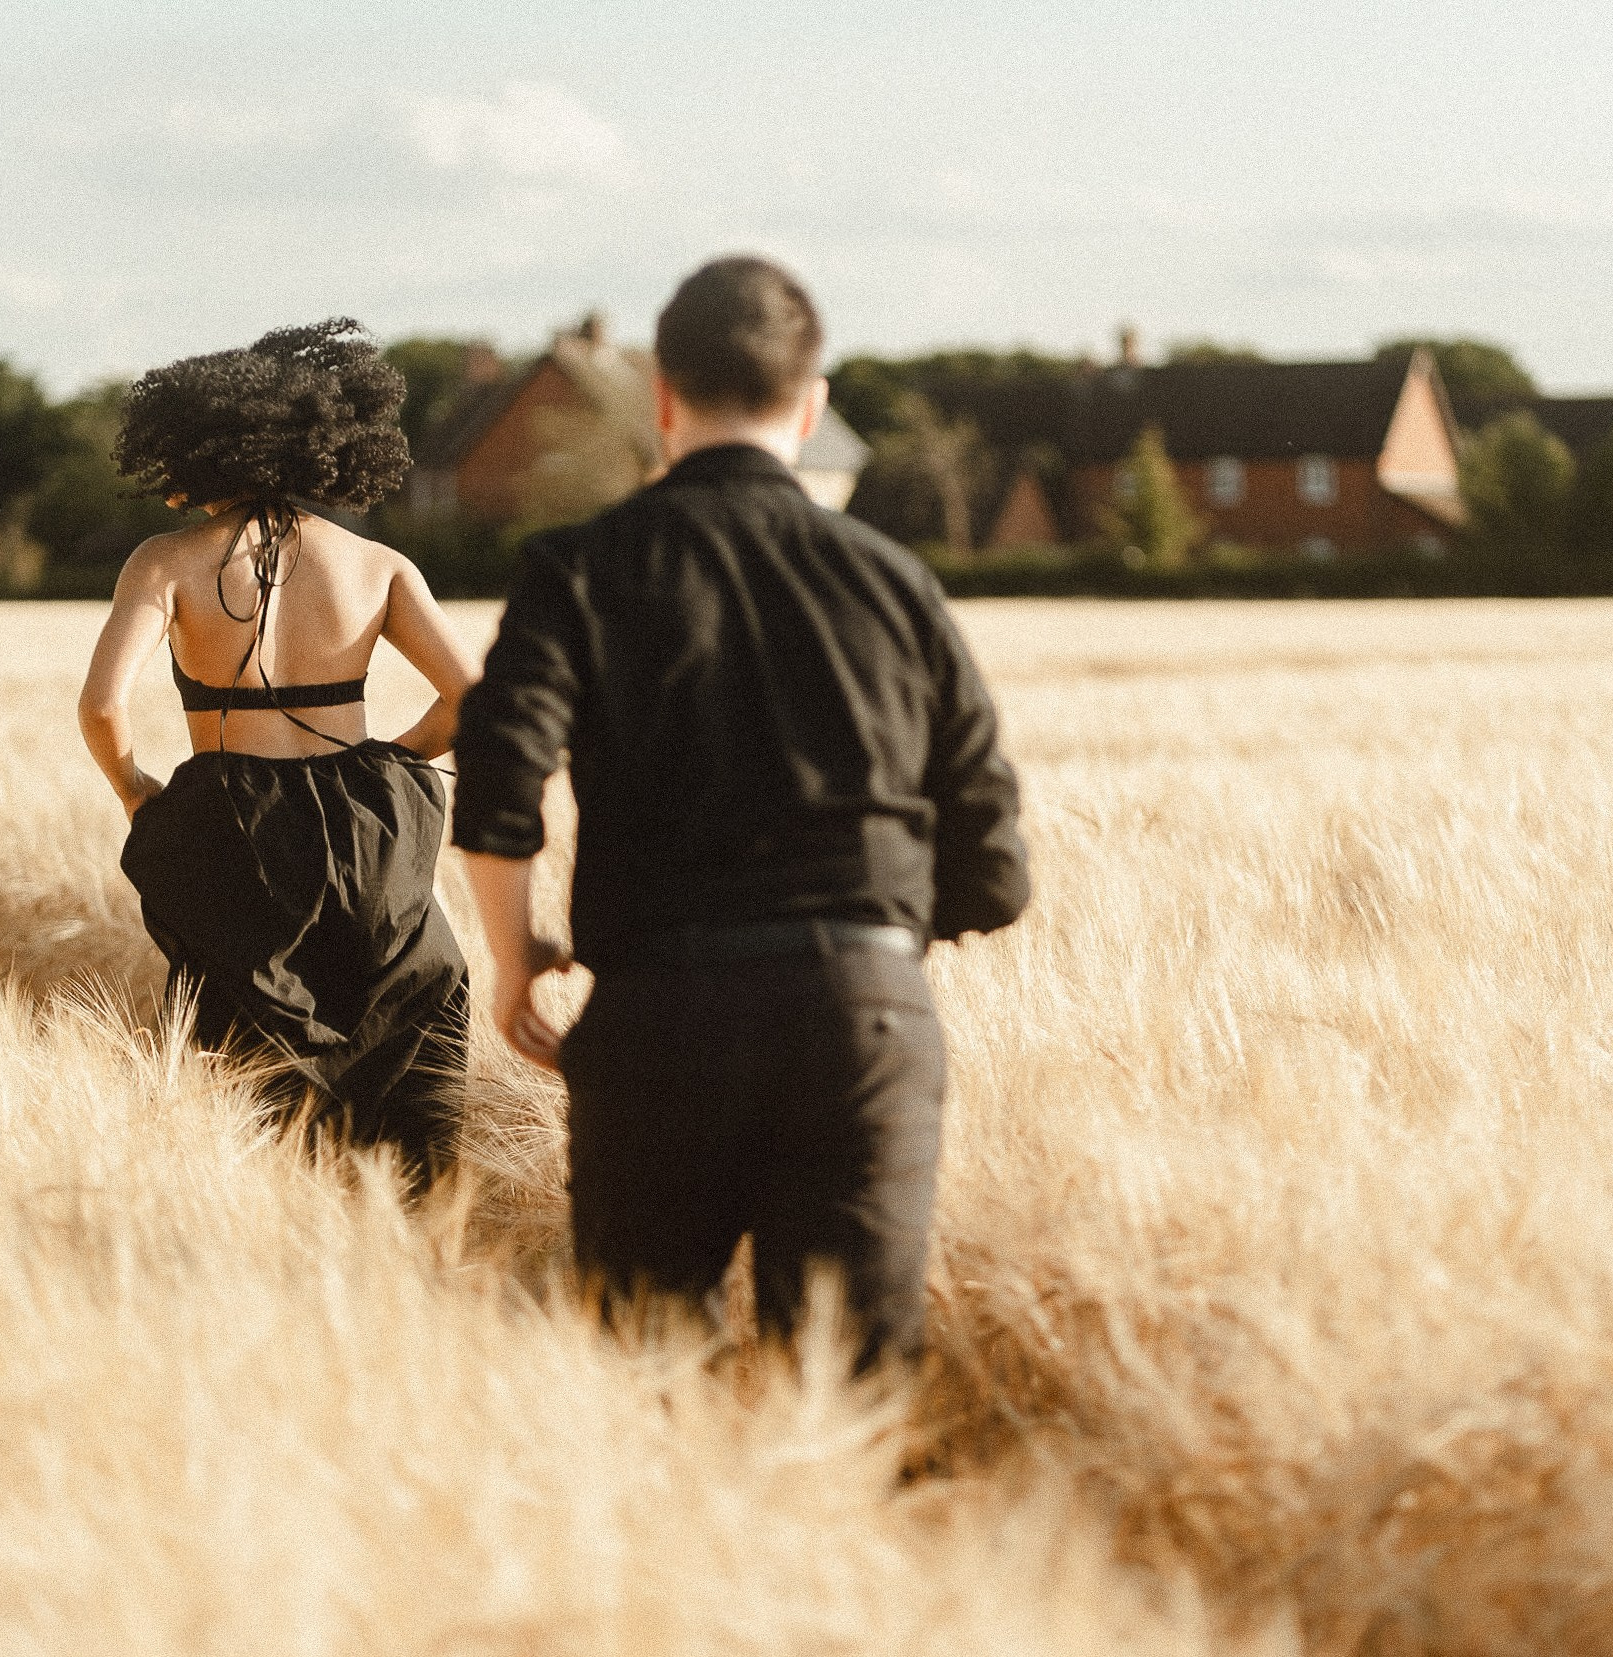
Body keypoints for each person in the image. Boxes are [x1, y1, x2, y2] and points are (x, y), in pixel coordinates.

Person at [451, 257, 1030, 1370]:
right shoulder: (894, 581)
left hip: (656, 1017)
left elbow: (497, 780)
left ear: (661, 396)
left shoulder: (579, 569)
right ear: (811, 408)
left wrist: (519, 960)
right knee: (849, 1392)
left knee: (643, 1376)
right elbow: (995, 871)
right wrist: (863, 946)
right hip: (862, 1018)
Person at [78, 319, 478, 1193]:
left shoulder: (165, 562)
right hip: (370, 828)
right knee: (405, 1014)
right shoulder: (376, 563)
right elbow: (476, 699)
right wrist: (393, 764)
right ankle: (416, 1230)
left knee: (249, 1057)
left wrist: (139, 793)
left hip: (233, 828)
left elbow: (102, 705)